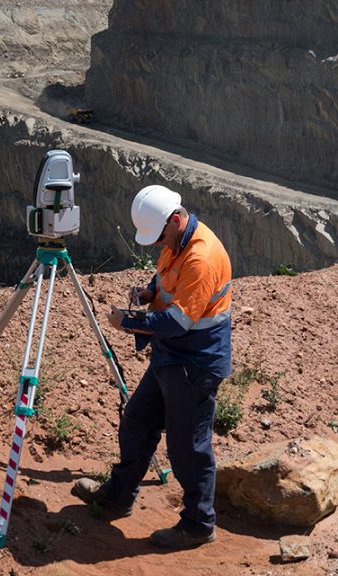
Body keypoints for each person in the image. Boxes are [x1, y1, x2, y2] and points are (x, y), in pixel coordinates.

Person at [72, 184, 232, 549]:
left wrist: (127, 322)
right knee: (138, 420)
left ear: (175, 220)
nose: (159, 244)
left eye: (161, 236)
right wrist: (149, 294)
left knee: (187, 447)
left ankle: (198, 524)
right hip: (171, 357)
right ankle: (119, 494)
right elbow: (164, 282)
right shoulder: (176, 242)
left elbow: (178, 322)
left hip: (195, 362)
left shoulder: (201, 257)